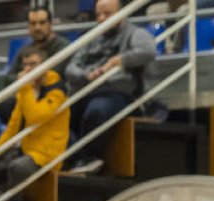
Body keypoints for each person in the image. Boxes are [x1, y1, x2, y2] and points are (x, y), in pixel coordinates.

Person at [63, 0, 157, 174]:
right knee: (59, 116)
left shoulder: (136, 33)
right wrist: (85, 75)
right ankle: (80, 158)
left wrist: (119, 60)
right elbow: (70, 67)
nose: (101, 19)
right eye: (98, 15)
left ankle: (87, 157)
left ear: (121, 13)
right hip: (88, 89)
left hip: (120, 93)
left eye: (107, 14)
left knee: (96, 111)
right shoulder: (92, 37)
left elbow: (149, 51)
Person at [0, 46, 70, 187]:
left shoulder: (57, 90)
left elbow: (35, 117)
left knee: (17, 168)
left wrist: (25, 87)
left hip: (47, 155)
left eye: (33, 64)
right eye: (25, 65)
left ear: (44, 65)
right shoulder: (27, 89)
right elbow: (13, 125)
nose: (28, 69)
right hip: (27, 149)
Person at [7, 7, 68, 78]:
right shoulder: (25, 50)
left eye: (42, 23)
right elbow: (8, 77)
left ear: (50, 24)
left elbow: (53, 75)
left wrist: (27, 76)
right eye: (33, 23)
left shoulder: (63, 47)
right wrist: (18, 77)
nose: (37, 27)